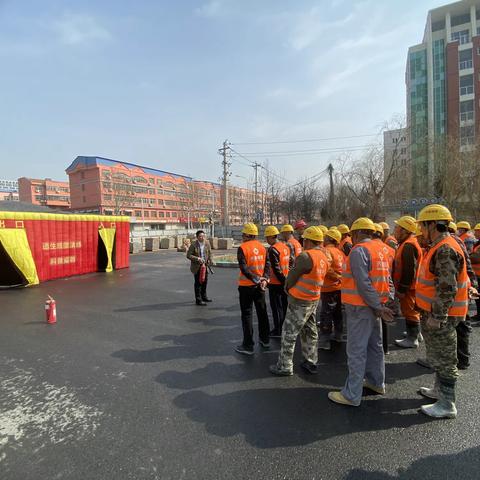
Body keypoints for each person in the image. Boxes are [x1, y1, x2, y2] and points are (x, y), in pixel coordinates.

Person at [328, 217, 393, 407]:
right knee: (375, 346)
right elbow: (387, 279)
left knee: (356, 350)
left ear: (356, 234)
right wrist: (385, 302)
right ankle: (376, 382)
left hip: (361, 307)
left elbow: (363, 283)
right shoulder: (380, 249)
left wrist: (378, 306)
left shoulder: (358, 251)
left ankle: (351, 394)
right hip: (374, 306)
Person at [415, 204, 469, 419]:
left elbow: (446, 287)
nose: (421, 230)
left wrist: (437, 316)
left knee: (446, 358)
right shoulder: (439, 246)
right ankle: (439, 391)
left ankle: (447, 404)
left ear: (432, 225)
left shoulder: (445, 248)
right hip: (437, 312)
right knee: (438, 354)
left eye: (423, 226)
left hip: (443, 315)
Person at [269, 226, 328, 376]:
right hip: (314, 298)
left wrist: (287, 288)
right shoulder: (324, 256)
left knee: (289, 332)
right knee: (310, 331)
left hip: (300, 300)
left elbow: (292, 277)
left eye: (304, 240)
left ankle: (285, 366)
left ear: (308, 240)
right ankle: (310, 361)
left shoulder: (306, 256)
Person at [235, 223, 271, 355]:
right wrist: (264, 279)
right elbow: (267, 265)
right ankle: (265, 339)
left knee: (247, 314)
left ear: (247, 235)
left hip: (246, 287)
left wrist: (255, 279)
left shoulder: (242, 248)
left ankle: (248, 345)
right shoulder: (262, 247)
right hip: (260, 285)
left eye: (243, 234)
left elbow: (244, 269)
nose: (242, 236)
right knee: (262, 312)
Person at [392, 216, 424, 348]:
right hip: (411, 286)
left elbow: (409, 270)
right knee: (412, 311)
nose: (395, 230)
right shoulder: (407, 243)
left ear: (405, 230)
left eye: (397, 228)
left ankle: (412, 339)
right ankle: (417, 333)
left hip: (409, 287)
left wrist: (402, 289)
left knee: (410, 312)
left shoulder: (408, 246)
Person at [318, 228, 345, 350]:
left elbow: (327, 268)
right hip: (339, 287)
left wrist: (337, 277)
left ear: (329, 239)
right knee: (337, 313)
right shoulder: (340, 252)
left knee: (326, 314)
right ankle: (338, 335)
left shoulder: (326, 251)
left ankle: (325, 341)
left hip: (329, 289)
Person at [373, 223, 396, 354]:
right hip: (388, 286)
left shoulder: (368, 249)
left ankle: (378, 349)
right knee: (384, 320)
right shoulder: (390, 250)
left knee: (375, 321)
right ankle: (385, 348)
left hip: (375, 288)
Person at [265, 225, 290, 338]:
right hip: (285, 280)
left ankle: (278, 330)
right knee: (284, 307)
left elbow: (276, 269)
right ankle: (284, 328)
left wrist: (283, 281)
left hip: (276, 283)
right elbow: (289, 263)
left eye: (267, 237)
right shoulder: (284, 247)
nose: (266, 240)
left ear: (271, 237)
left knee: (276, 308)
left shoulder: (273, 249)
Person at [186, 230, 213, 305]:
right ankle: (198, 300)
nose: (202, 238)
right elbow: (188, 255)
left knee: (205, 282)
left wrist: (210, 260)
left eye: (203, 236)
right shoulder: (193, 244)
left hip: (205, 266)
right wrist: (198, 259)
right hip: (197, 266)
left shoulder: (207, 243)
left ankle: (204, 297)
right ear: (197, 237)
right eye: (200, 236)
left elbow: (210, 253)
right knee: (198, 283)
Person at [470, 223, 480, 324]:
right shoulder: (477, 243)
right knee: (477, 297)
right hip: (477, 274)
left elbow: (477, 258)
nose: (475, 232)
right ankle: (478, 315)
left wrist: (468, 257)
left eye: (476, 231)